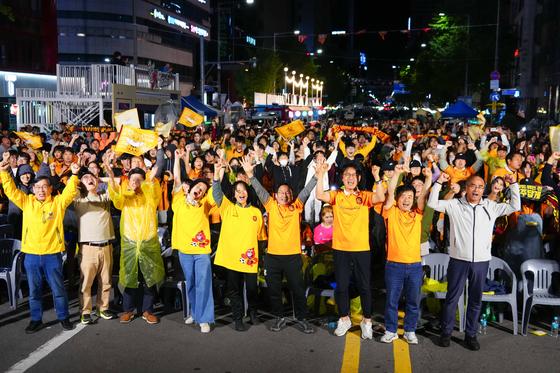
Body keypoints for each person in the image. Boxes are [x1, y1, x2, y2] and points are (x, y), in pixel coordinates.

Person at [428, 172, 521, 350]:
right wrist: (439, 182)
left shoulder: (491, 206)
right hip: (458, 260)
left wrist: (514, 184)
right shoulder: (455, 205)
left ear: (483, 189)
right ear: (466, 188)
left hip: (481, 261)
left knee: (475, 299)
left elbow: (515, 205)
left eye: (480, 186)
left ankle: (471, 335)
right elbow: (432, 203)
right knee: (452, 298)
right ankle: (446, 333)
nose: (476, 189)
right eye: (473, 186)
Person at [0, 152, 80, 333]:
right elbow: (11, 190)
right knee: (34, 291)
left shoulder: (58, 203)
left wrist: (75, 175)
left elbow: (70, 192)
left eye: (45, 187)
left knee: (58, 290)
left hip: (53, 254)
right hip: (32, 255)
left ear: (50, 188)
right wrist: (4, 172)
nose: (41, 190)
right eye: (38, 187)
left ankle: (64, 317)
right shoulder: (27, 202)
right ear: (33, 189)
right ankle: (36, 319)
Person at [241, 155, 316, 334]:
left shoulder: (297, 206)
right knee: (274, 291)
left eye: (287, 192)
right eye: (281, 192)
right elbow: (259, 190)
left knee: (297, 289)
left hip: (292, 257)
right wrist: (250, 175)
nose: (284, 195)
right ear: (276, 195)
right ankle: (279, 318)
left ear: (291, 194)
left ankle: (302, 318)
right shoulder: (271, 205)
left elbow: (306, 190)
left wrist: (316, 176)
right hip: (273, 257)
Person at [315, 160, 385, 339]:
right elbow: (320, 195)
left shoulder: (364, 196)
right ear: (342, 178)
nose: (350, 178)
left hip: (361, 249)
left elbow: (380, 198)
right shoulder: (337, 195)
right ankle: (344, 318)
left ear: (359, 178)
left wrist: (377, 177)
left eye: (354, 175)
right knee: (342, 286)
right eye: (347, 175)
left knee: (365, 286)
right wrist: (321, 173)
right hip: (341, 248)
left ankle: (366, 321)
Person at [104, 151, 165, 325]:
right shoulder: (125, 197)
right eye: (133, 179)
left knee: (149, 277)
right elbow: (116, 200)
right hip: (130, 243)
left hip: (148, 242)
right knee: (129, 276)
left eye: (140, 179)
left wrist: (151, 179)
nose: (136, 182)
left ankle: (148, 310)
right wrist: (110, 177)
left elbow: (155, 193)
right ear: (128, 182)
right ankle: (128, 310)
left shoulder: (150, 196)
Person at [380, 165, 432, 345]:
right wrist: (396, 173)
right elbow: (391, 191)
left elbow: (423, 196)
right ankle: (391, 330)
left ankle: (410, 330)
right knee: (392, 301)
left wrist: (428, 178)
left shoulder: (417, 215)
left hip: (415, 266)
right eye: (404, 196)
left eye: (410, 197)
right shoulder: (391, 212)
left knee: (413, 302)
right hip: (394, 264)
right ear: (397, 199)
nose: (407, 199)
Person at [212, 157, 263, 332]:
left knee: (251, 288)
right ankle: (238, 317)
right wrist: (216, 176)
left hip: (249, 259)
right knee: (233, 289)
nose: (241, 193)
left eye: (244, 190)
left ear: (248, 193)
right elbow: (217, 193)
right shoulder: (227, 208)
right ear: (233, 194)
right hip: (232, 257)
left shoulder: (256, 212)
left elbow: (260, 237)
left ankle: (253, 312)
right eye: (238, 191)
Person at [171, 149, 214, 333]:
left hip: (202, 251)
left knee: (203, 282)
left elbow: (216, 192)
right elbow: (176, 180)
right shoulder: (178, 201)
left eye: (203, 190)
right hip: (184, 250)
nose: (200, 191)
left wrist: (217, 176)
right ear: (192, 187)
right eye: (198, 187)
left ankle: (204, 318)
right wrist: (177, 158)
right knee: (191, 281)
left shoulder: (205, 204)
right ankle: (195, 313)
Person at [73, 166, 116, 324]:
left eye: (92, 178)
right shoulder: (79, 199)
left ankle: (103, 307)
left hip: (106, 246)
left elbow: (115, 187)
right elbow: (71, 188)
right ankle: (85, 310)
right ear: (80, 184)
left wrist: (108, 175)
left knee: (106, 280)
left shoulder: (105, 198)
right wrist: (76, 174)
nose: (89, 179)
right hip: (88, 247)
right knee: (86, 282)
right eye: (85, 178)